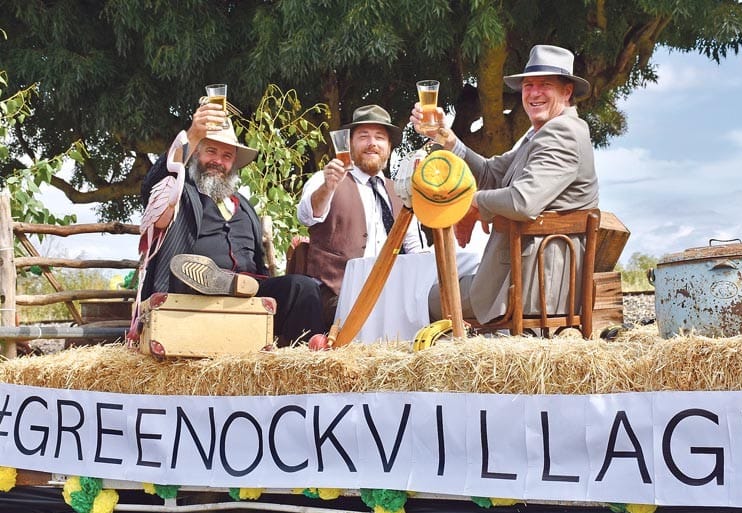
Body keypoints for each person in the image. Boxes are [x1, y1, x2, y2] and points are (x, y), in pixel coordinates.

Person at [409, 44, 600, 325]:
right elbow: (491, 173)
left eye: (544, 85)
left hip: (536, 287)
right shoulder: (539, 134)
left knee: (420, 299)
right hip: (522, 276)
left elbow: (522, 202)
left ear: (567, 91)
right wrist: (446, 139)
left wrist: (470, 204)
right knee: (434, 289)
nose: (533, 93)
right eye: (528, 85)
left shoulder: (563, 133)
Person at [139, 101, 324, 346]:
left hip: (251, 292)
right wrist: (193, 134)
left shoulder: (245, 206)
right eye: (211, 152)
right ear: (195, 153)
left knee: (304, 287)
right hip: (188, 294)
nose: (218, 161)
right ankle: (223, 282)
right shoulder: (180, 191)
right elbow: (155, 183)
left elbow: (259, 263)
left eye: (226, 156)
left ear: (234, 164)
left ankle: (304, 359)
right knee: (196, 278)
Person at [297, 105, 426, 328]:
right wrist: (328, 188)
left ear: (389, 147)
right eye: (363, 136)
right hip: (337, 299)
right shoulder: (326, 178)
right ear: (350, 144)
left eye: (379, 137)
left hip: (392, 297)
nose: (372, 143)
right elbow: (308, 215)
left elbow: (415, 248)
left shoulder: (401, 192)